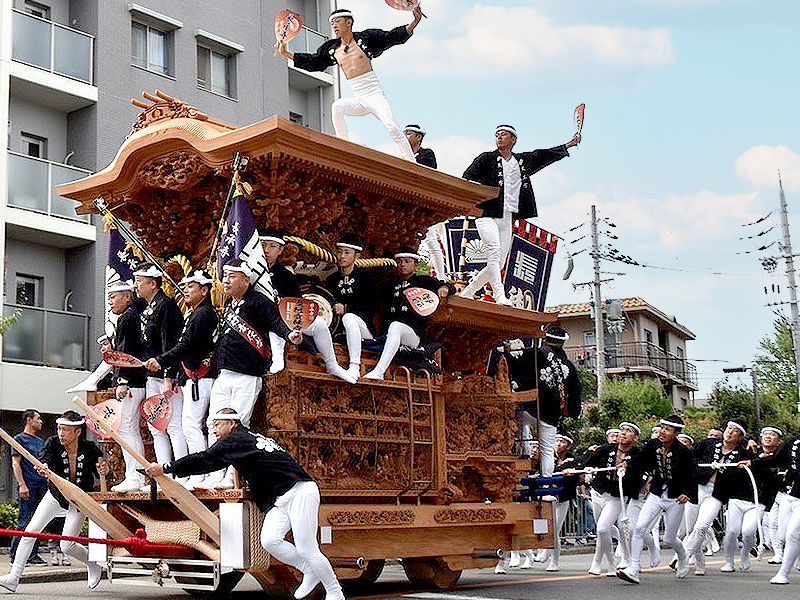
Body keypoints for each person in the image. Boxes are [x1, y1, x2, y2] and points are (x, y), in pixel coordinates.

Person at [145, 408, 345, 600]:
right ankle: (308, 568)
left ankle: (335, 591)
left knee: (306, 548)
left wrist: (166, 467)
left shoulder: (235, 440)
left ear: (232, 423)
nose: (214, 430)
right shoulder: (248, 437)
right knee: (270, 540)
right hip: (281, 498)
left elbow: (205, 460)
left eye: (218, 424)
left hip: (299, 491)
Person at [202, 259, 302, 488]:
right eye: (225, 276)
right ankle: (214, 472)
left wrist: (290, 335)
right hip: (224, 374)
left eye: (232, 276)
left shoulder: (258, 301)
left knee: (237, 425)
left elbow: (276, 322)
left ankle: (233, 476)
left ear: (246, 280)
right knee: (214, 423)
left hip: (247, 374)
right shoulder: (229, 305)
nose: (226, 281)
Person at [280, 7, 422, 162]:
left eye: (337, 21)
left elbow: (390, 37)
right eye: (332, 23)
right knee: (337, 107)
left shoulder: (365, 39)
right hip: (359, 99)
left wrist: (415, 21)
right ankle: (343, 146)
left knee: (391, 126)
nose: (334, 25)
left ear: (348, 22)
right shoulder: (333, 49)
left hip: (374, 95)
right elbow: (315, 61)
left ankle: (411, 162)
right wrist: (287, 53)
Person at [459, 125, 580, 306]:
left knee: (498, 263)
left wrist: (568, 145)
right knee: (494, 251)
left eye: (503, 135)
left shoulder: (521, 161)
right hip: (486, 214)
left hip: (507, 216)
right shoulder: (486, 158)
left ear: (513, 139)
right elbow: (468, 176)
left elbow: (543, 155)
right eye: (497, 135)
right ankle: (500, 295)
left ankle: (467, 293)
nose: (499, 138)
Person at [0, 411, 108, 592]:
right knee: (30, 532)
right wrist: (43, 467)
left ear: (77, 432)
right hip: (55, 495)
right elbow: (44, 460)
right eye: (59, 429)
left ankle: (93, 564)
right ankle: (14, 577)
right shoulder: (52, 443)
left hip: (78, 500)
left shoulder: (89, 448)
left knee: (67, 545)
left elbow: (102, 471)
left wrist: (105, 469)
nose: (61, 433)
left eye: (65, 430)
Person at [144, 270, 219, 489]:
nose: (185, 290)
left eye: (191, 286)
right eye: (184, 286)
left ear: (204, 290)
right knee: (192, 425)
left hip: (201, 377)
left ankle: (199, 472)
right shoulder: (197, 313)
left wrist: (161, 360)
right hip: (193, 377)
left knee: (192, 425)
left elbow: (185, 346)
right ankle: (198, 472)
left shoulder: (203, 314)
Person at [260, 229, 356, 384]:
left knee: (318, 323)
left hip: (286, 318)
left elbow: (298, 303)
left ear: (280, 250)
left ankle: (332, 364)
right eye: (263, 245)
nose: (266, 250)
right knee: (275, 322)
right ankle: (277, 358)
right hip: (262, 319)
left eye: (272, 246)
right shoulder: (251, 272)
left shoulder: (285, 275)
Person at [618, 415, 696, 584]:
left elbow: (692, 474)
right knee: (639, 528)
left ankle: (683, 556)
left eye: (667, 429)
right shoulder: (653, 445)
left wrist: (687, 493)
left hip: (675, 498)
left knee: (669, 538)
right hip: (656, 493)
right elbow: (640, 459)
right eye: (662, 428)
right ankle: (633, 568)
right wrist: (627, 464)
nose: (663, 431)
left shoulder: (684, 452)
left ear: (675, 433)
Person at [363, 246, 454, 380]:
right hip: (388, 334)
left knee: (396, 326)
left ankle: (379, 371)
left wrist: (445, 288)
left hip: (412, 335)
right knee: (392, 327)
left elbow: (449, 286)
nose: (403, 265)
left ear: (415, 264)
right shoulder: (390, 285)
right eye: (400, 262)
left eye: (407, 261)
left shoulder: (423, 281)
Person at [133, 263, 188, 473]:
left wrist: (168, 377)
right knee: (156, 426)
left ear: (153, 284)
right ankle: (163, 472)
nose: (136, 286)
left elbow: (170, 343)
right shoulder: (148, 308)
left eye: (139, 281)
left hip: (167, 375)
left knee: (173, 424)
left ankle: (181, 471)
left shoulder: (166, 306)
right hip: (152, 375)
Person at [683, 420, 751, 575]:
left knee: (702, 526)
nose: (730, 432)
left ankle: (683, 557)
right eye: (729, 428)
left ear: (740, 437)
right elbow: (689, 458)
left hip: (717, 494)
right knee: (691, 529)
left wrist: (732, 470)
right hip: (697, 488)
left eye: (735, 431)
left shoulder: (742, 454)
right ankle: (700, 561)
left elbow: (743, 478)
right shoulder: (708, 444)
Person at [577, 421, 640, 576]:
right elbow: (586, 462)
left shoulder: (638, 454)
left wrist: (627, 464)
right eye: (622, 430)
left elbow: (642, 466)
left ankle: (611, 562)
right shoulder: (606, 450)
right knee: (602, 531)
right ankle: (601, 562)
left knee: (602, 528)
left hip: (615, 498)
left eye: (628, 431)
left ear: (636, 438)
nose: (623, 433)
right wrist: (573, 469)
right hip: (597, 493)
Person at [518, 327, 581, 477]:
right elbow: (575, 391)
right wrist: (573, 412)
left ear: (545, 339)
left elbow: (517, 366)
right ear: (562, 343)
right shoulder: (568, 365)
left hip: (528, 407)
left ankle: (524, 452)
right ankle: (546, 483)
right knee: (547, 450)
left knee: (518, 423)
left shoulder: (535, 354)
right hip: (551, 414)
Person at [744, 428, 800, 584]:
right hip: (789, 494)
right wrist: (752, 462)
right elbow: (777, 459)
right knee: (783, 535)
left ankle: (783, 573)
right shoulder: (794, 441)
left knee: (793, 534)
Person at [107, 282, 147, 492]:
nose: (110, 302)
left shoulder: (129, 317)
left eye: (114, 297)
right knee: (129, 428)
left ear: (127, 297)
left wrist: (122, 380)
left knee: (127, 427)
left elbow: (127, 351)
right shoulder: (133, 315)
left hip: (132, 381)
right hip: (136, 379)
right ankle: (136, 475)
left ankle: (135, 476)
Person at [324, 234, 380, 380]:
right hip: (338, 330)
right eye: (339, 252)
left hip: (364, 330)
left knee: (349, 318)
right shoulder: (331, 280)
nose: (342, 256)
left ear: (356, 256)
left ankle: (355, 366)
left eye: (347, 252)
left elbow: (373, 306)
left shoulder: (366, 279)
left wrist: (347, 309)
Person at [9, 410, 47, 566]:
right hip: (28, 486)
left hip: (42, 486)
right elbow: (15, 463)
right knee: (24, 521)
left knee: (38, 522)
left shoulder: (40, 441)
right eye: (38, 418)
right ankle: (15, 555)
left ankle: (32, 555)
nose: (41, 421)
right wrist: (22, 485)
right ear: (29, 420)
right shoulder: (19, 439)